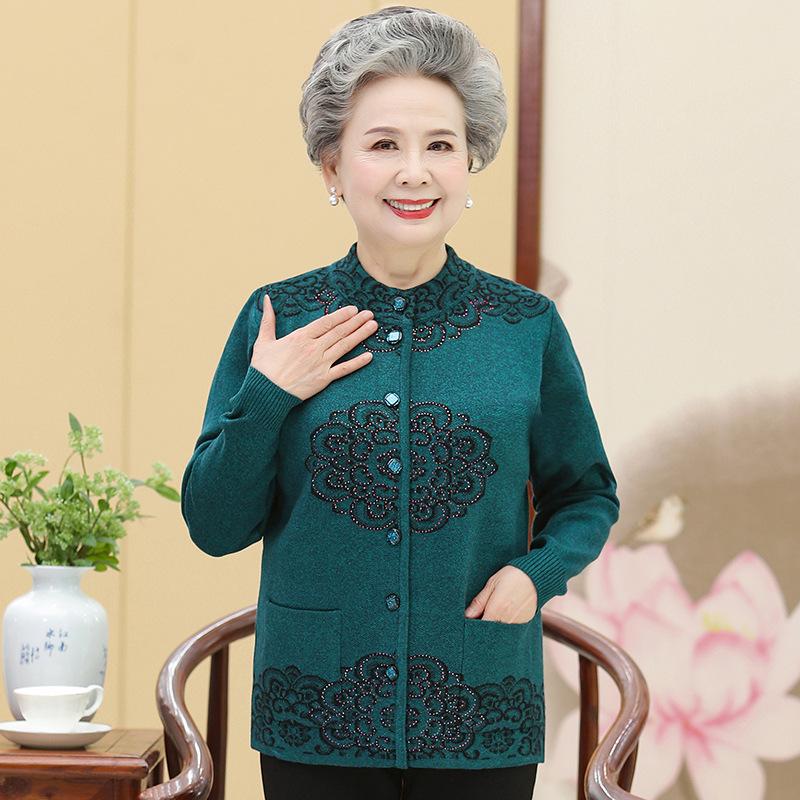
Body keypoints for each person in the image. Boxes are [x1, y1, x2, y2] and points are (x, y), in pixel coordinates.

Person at [181, 6, 620, 799]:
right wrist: (268, 396)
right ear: (332, 166)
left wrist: (538, 574)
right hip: (314, 708)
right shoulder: (278, 318)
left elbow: (587, 494)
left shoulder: (525, 327)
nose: (415, 172)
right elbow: (214, 527)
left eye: (440, 146)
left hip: (482, 705)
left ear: (469, 163)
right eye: (384, 144)